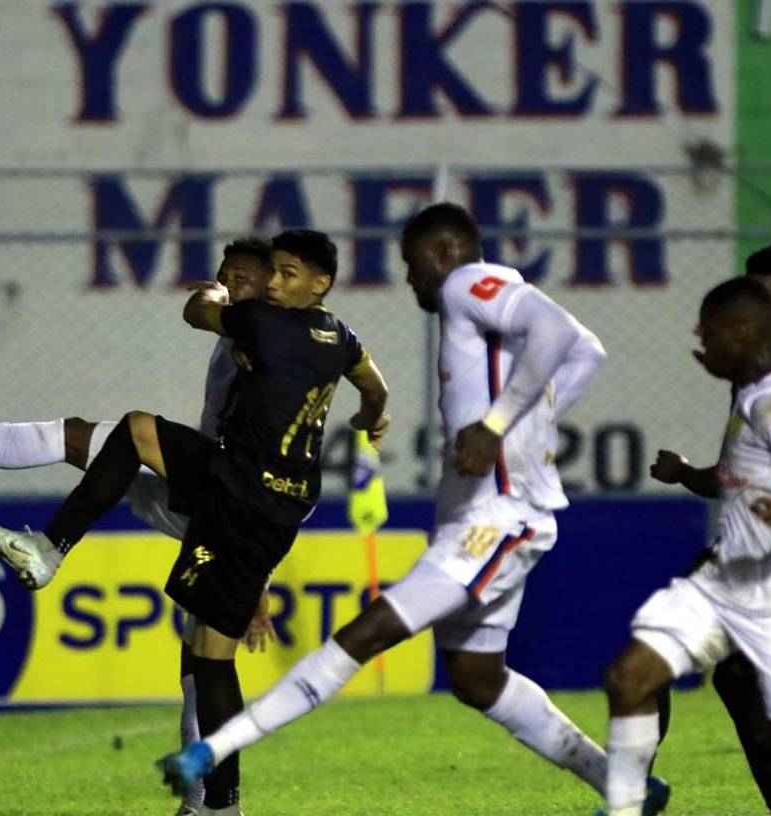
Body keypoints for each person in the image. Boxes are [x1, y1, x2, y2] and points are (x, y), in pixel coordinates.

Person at [155, 202, 637, 810]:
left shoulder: (465, 282)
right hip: (480, 515)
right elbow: (587, 350)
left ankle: (207, 754)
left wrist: (495, 425)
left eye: (411, 264)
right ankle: (625, 785)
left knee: (363, 633)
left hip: (498, 519)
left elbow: (560, 334)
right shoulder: (494, 295)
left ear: (439, 253)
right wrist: (529, 424)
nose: (408, 278)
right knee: (476, 678)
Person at [0, 228, 390, 816]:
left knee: (138, 433)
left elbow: (196, 312)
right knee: (210, 655)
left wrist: (221, 293)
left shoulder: (265, 323)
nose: (272, 282)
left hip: (239, 489)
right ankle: (221, 806)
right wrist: (372, 419)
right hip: (280, 506)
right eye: (272, 271)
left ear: (320, 284)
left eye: (287, 273)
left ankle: (49, 548)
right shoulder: (342, 338)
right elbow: (376, 387)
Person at [0, 237, 278, 816]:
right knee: (82, 438)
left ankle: (45, 546)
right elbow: (206, 312)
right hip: (207, 491)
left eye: (244, 277)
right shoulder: (249, 326)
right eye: (226, 275)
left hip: (221, 498)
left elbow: (279, 469)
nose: (231, 285)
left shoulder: (272, 336)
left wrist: (258, 573)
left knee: (204, 662)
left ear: (277, 287)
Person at [603, 277, 771, 816]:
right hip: (735, 570)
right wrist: (687, 472)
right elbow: (746, 476)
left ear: (744, 330)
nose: (700, 343)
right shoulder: (753, 392)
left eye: (708, 333)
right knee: (637, 673)